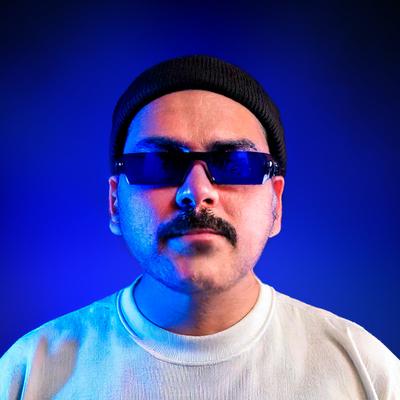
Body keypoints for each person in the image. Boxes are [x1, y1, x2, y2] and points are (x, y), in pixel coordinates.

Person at [0, 55, 399, 400]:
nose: (196, 191)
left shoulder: (366, 372)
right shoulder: (28, 374)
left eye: (235, 165)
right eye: (159, 164)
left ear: (275, 204)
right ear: (115, 203)